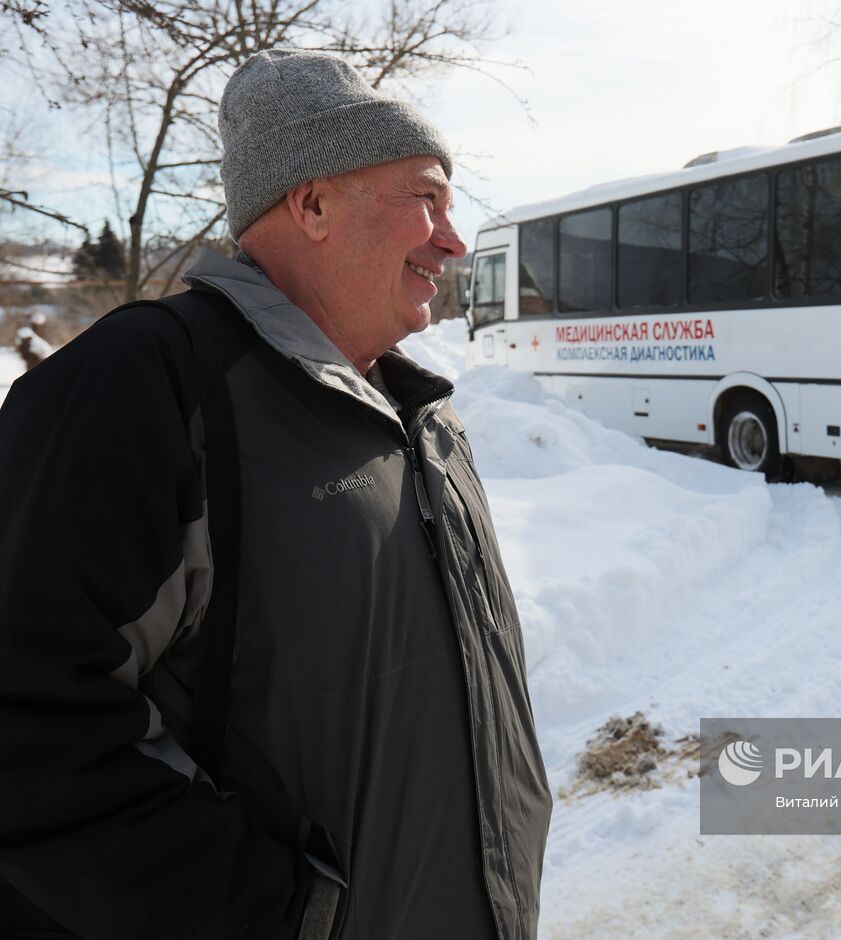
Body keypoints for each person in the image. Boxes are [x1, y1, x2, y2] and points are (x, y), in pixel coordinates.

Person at [0, 50, 550, 939]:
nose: (453, 239)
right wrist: (284, 916)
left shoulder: (418, 413)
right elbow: (31, 733)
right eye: (428, 198)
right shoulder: (144, 387)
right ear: (314, 203)